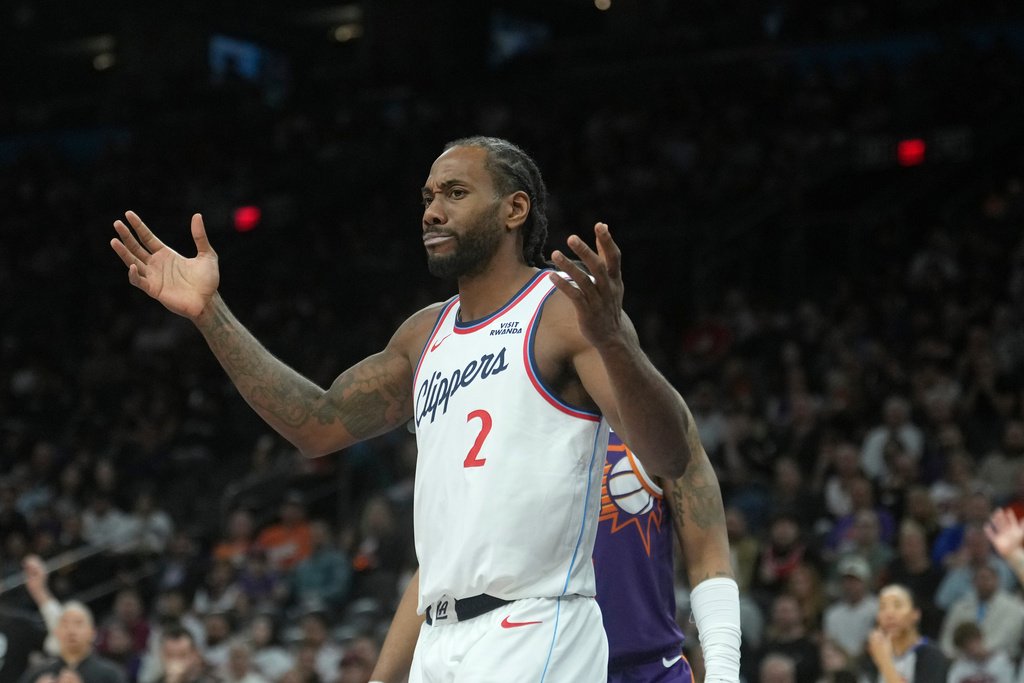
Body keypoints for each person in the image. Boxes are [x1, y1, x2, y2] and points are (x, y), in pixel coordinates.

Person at [111, 135, 723, 681]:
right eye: (428, 195)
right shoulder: (423, 334)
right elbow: (315, 424)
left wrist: (615, 343)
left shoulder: (563, 312)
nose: (432, 210)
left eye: (455, 193)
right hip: (440, 636)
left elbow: (670, 453)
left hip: (534, 627)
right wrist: (208, 314)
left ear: (515, 209)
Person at [17, 602, 125, 683]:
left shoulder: (109, 674)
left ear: (92, 632)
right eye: (65, 624)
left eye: (78, 624)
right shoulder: (37, 673)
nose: (71, 631)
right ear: (56, 632)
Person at [859, 584, 948, 683]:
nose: (889, 614)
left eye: (897, 606)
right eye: (883, 607)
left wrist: (885, 663)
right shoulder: (872, 657)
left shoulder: (933, 656)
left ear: (916, 614)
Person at [945, 622, 1014, 683]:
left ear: (980, 637)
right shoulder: (959, 668)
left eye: (972, 644)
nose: (971, 650)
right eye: (966, 648)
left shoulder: (1001, 661)